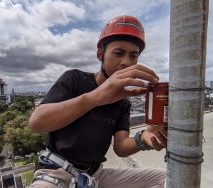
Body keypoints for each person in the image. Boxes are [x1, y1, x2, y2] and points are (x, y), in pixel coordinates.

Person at [28, 15, 167, 188]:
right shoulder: (75, 79)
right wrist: (95, 97)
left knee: (166, 179)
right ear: (100, 54)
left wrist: (144, 138)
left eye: (133, 55)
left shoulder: (123, 102)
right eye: (118, 53)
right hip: (55, 171)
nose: (126, 62)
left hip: (95, 175)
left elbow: (121, 147)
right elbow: (36, 123)